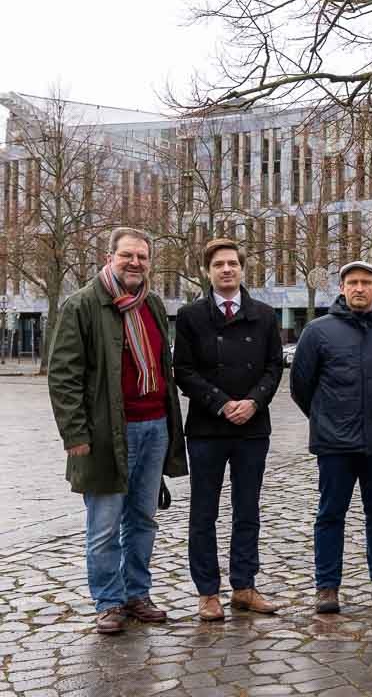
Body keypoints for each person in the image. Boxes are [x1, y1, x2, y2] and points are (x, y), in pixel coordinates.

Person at [47, 227, 188, 634]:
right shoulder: (82, 304)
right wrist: (75, 434)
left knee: (143, 519)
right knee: (105, 525)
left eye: (142, 257)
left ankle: (136, 594)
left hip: (154, 427)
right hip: (107, 432)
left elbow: (163, 369)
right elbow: (63, 376)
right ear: (109, 258)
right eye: (127, 255)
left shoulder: (152, 304)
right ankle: (108, 602)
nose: (135, 263)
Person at [290, 260, 372, 614]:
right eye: (352, 282)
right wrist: (326, 418)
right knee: (330, 514)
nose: (359, 288)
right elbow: (301, 386)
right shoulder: (317, 331)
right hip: (335, 444)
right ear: (342, 288)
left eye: (366, 282)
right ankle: (327, 585)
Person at [173, 238, 284, 621]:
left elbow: (274, 366)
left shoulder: (264, 315)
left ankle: (244, 586)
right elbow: (183, 370)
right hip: (207, 428)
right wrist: (221, 403)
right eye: (218, 264)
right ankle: (207, 592)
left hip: (252, 427)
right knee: (203, 513)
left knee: (247, 510)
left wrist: (253, 401)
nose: (226, 269)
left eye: (232, 263)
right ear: (207, 271)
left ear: (242, 269)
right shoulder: (190, 316)